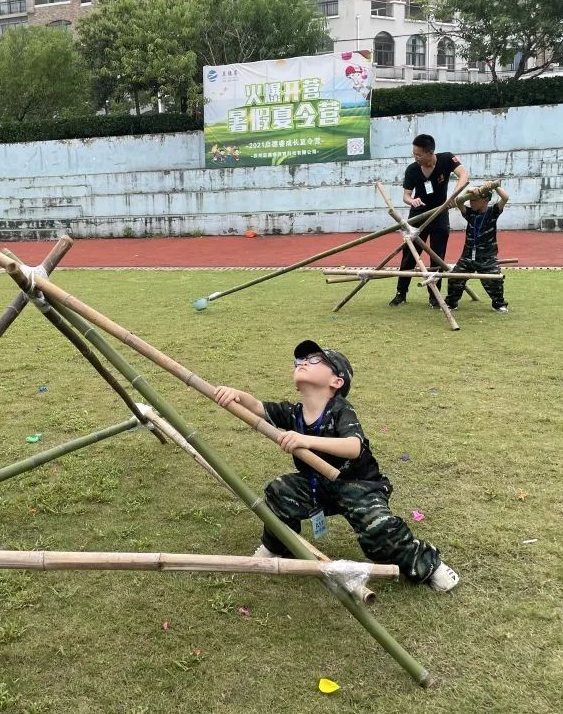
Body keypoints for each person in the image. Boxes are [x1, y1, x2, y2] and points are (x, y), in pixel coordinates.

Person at [213, 339, 460, 592]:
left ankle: (429, 564)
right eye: (300, 361)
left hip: (359, 486)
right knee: (280, 490)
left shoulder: (340, 409)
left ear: (336, 382)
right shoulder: (294, 413)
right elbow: (257, 408)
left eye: (316, 360)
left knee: (379, 531)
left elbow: (353, 446)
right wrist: (236, 395)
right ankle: (276, 548)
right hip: (317, 485)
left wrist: (304, 439)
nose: (304, 363)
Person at [391, 134, 469, 308]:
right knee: (409, 256)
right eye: (413, 154)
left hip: (440, 214)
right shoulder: (412, 169)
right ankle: (400, 293)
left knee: (437, 257)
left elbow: (464, 175)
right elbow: (406, 195)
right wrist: (412, 201)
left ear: (430, 152)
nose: (415, 157)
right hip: (418, 217)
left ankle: (434, 297)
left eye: (418, 154)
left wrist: (453, 196)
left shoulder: (446, 159)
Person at [444, 183, 510, 313]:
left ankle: (499, 304)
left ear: (485, 200)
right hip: (467, 256)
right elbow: (459, 201)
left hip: (487, 257)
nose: (471, 203)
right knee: (455, 277)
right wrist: (469, 191)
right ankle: (451, 303)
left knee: (494, 280)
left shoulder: (493, 212)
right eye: (470, 201)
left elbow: (505, 198)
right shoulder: (470, 214)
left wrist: (494, 186)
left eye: (474, 200)